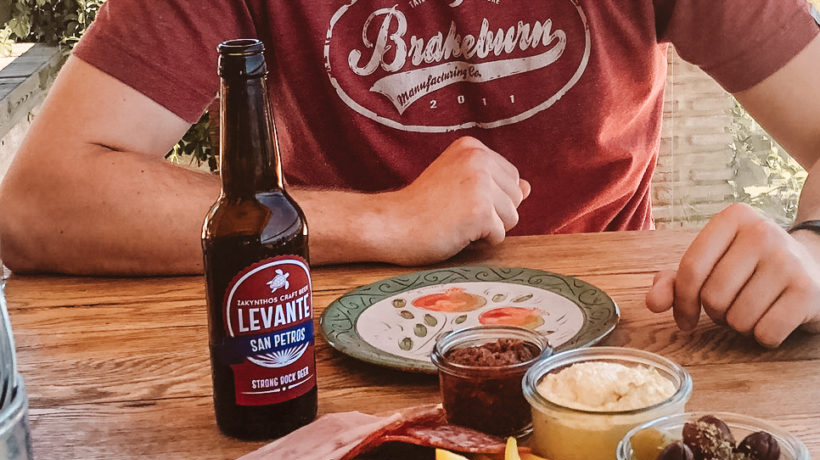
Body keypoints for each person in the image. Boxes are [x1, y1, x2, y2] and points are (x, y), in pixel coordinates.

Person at [0, 0, 819, 349]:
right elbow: (39, 203)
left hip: (608, 352)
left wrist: (813, 247)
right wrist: (384, 220)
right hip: (325, 352)